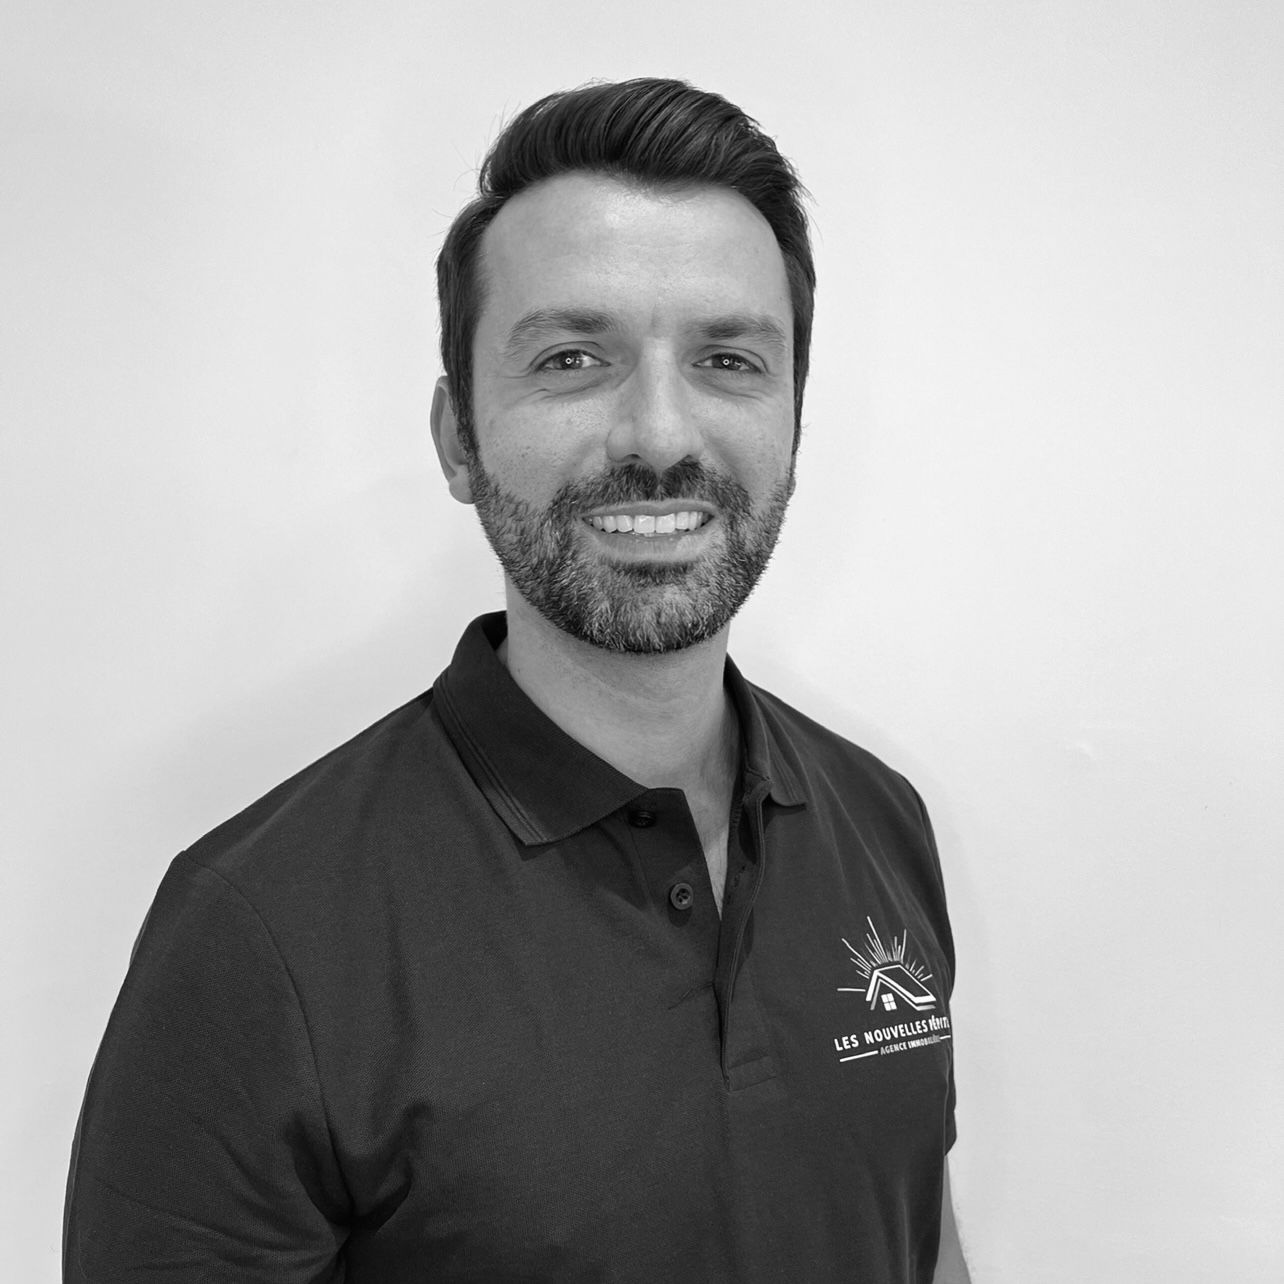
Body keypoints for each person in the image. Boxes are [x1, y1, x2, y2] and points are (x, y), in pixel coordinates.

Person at [64, 78, 970, 1282]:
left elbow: (916, 1236)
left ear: (794, 420)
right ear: (459, 438)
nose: (660, 435)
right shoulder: (257, 935)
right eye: (573, 358)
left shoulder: (881, 822)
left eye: (728, 359)